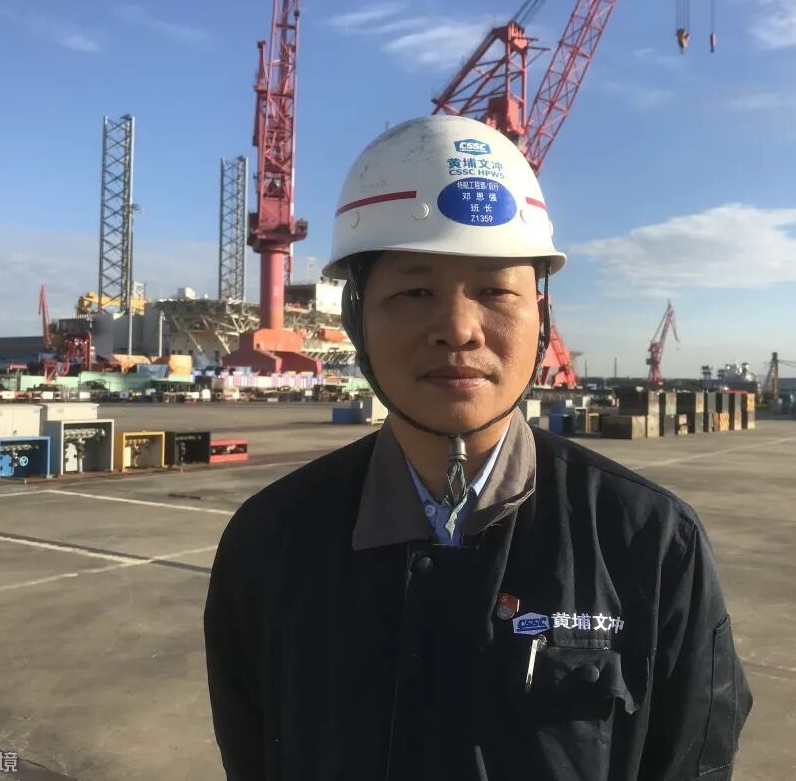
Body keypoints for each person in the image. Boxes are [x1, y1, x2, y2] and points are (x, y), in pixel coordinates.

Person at [204, 114, 752, 780]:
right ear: (356, 319)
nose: (459, 329)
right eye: (414, 291)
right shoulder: (271, 544)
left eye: (495, 291)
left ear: (542, 317)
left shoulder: (650, 543)